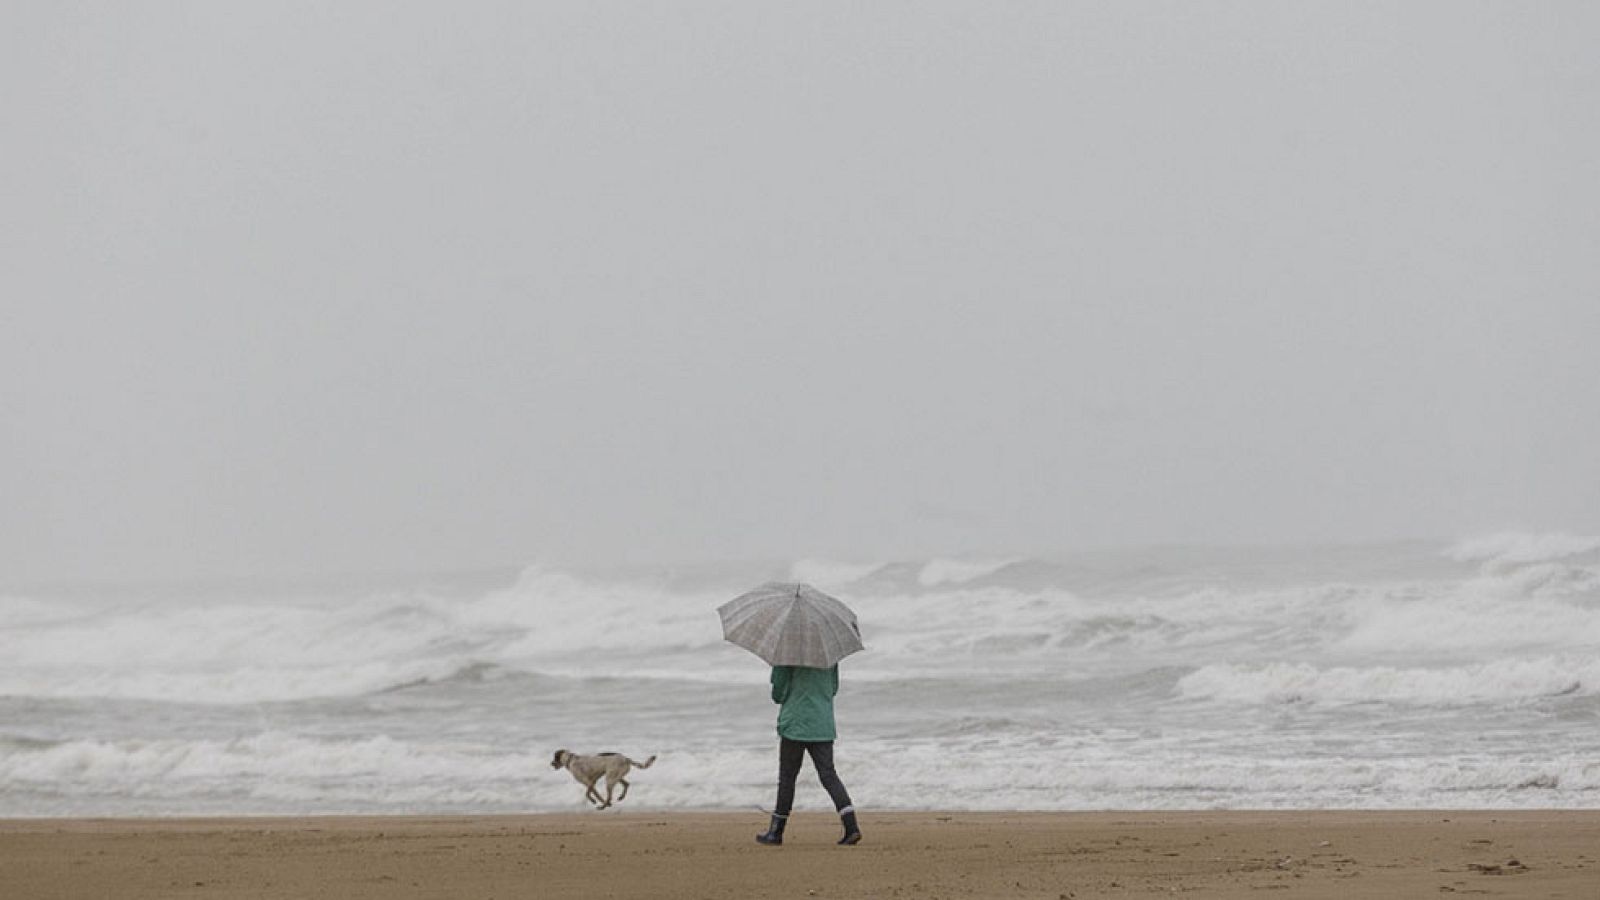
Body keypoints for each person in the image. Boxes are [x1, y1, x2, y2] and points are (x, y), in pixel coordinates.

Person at [755, 663, 862, 846]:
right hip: (822, 724)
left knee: (788, 778)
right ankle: (850, 825)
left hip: (795, 724)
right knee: (829, 775)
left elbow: (778, 694)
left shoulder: (787, 655)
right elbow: (833, 688)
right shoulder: (829, 657)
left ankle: (776, 831)